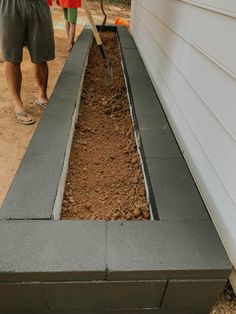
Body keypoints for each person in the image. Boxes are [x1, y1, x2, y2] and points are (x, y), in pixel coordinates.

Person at [0, 0, 55, 125]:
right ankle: (17, 102)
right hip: (11, 5)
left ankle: (42, 96)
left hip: (38, 4)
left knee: (41, 55)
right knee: (12, 56)